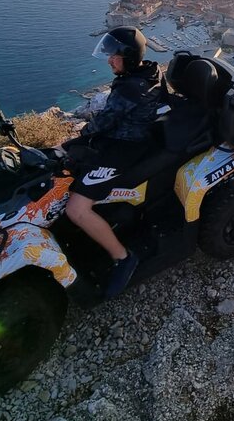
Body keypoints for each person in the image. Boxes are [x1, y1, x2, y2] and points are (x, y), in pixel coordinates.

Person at [65, 26, 164, 298]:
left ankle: (123, 256)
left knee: (76, 209)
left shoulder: (130, 88)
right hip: (130, 139)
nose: (109, 60)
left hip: (125, 148)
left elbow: (103, 123)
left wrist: (75, 139)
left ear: (130, 58)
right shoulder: (149, 72)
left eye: (115, 56)